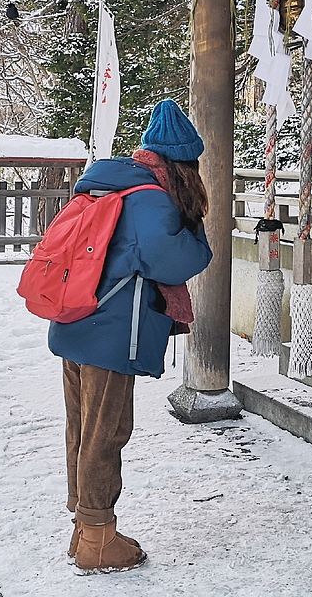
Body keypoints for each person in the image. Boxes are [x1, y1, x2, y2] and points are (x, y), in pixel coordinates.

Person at [49, 99, 213, 574]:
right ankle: (98, 539)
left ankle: (84, 526)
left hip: (75, 321)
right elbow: (176, 261)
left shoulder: (107, 186)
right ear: (181, 161)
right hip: (113, 333)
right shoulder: (150, 199)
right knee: (107, 431)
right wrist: (197, 232)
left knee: (81, 427)